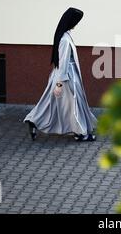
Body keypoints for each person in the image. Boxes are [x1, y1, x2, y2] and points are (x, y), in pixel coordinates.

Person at [23, 7, 97, 141]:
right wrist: (59, 84)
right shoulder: (64, 40)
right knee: (73, 104)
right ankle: (81, 133)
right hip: (67, 78)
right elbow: (63, 63)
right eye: (76, 21)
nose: (77, 24)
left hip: (63, 75)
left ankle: (33, 120)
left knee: (49, 102)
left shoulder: (64, 35)